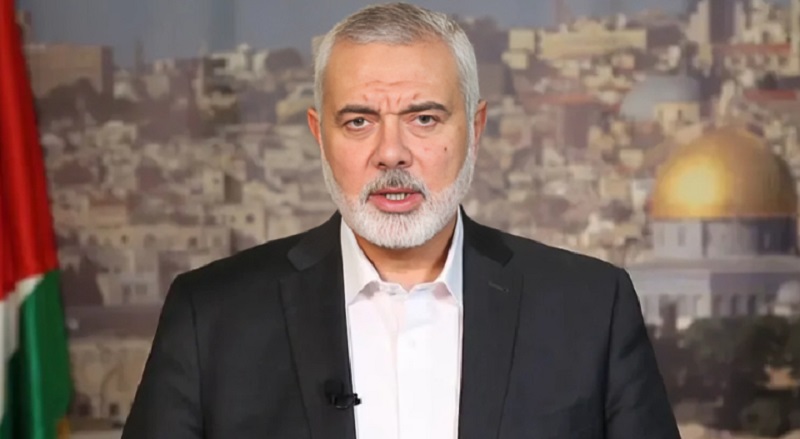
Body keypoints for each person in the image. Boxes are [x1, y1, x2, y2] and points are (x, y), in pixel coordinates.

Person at [121, 3, 680, 438]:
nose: (392, 153)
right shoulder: (211, 316)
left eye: (424, 118)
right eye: (359, 122)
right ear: (319, 135)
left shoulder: (591, 308)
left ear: (475, 129)